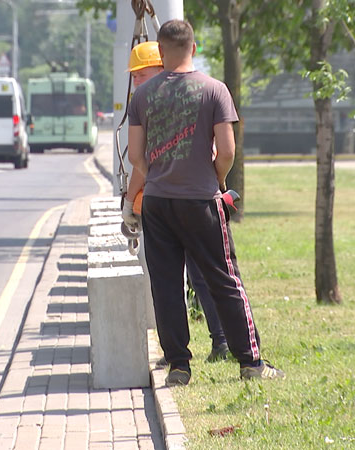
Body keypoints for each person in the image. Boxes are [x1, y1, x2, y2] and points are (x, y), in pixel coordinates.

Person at [123, 19, 284, 386]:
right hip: (200, 201)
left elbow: (135, 156)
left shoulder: (143, 97)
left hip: (159, 203)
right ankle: (250, 363)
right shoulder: (214, 90)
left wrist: (159, 174)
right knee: (223, 279)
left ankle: (179, 365)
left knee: (165, 285)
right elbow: (227, 150)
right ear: (193, 49)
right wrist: (217, 178)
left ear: (161, 51)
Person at [127, 41, 229, 364]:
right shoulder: (170, 99)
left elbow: (140, 161)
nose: (136, 82)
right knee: (185, 278)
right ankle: (198, 349)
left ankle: (220, 342)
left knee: (202, 275)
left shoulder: (169, 101)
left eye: (141, 74)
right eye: (134, 77)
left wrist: (132, 202)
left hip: (187, 201)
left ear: (161, 67)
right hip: (187, 200)